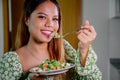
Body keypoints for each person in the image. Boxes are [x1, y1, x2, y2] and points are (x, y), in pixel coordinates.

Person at [0, 0, 102, 80]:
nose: (50, 24)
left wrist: (84, 49)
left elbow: (93, 78)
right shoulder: (10, 61)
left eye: (55, 19)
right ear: (27, 20)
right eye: (42, 17)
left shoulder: (63, 48)